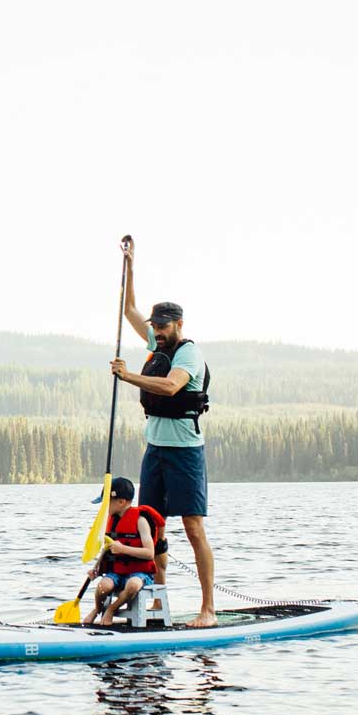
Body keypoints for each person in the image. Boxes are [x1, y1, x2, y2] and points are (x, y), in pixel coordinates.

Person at [109, 237, 216, 627]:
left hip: (185, 451)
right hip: (155, 448)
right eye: (154, 326)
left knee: (193, 527)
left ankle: (208, 609)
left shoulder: (188, 352)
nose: (157, 331)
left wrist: (128, 376)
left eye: (163, 326)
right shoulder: (155, 340)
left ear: (179, 325)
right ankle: (157, 600)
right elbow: (129, 310)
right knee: (151, 526)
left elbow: (171, 387)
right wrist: (130, 265)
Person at [83, 477, 162, 625]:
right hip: (117, 572)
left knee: (132, 585)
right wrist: (96, 569)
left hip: (140, 573)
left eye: (107, 503)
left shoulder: (141, 521)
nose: (104, 507)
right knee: (103, 586)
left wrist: (123, 549)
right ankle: (97, 609)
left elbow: (150, 553)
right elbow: (106, 550)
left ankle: (111, 609)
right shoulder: (111, 521)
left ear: (121, 502)